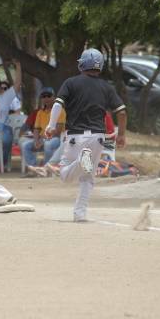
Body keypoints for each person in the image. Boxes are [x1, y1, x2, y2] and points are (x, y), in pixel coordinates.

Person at [44, 48, 127, 222]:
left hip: (75, 138)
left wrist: (51, 126)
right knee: (87, 178)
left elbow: (58, 104)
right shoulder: (106, 87)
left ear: (82, 65)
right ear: (100, 66)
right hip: (97, 139)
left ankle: (81, 161)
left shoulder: (71, 83)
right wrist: (121, 135)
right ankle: (79, 214)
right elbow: (122, 112)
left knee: (66, 176)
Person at [21, 87, 63, 170]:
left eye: (49, 96)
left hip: (56, 138)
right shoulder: (40, 113)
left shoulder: (60, 111)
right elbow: (36, 129)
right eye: (43, 96)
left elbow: (58, 131)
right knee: (25, 145)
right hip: (42, 139)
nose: (46, 98)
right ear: (41, 99)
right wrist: (36, 140)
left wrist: (43, 139)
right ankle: (35, 168)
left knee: (48, 144)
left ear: (54, 97)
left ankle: (47, 169)